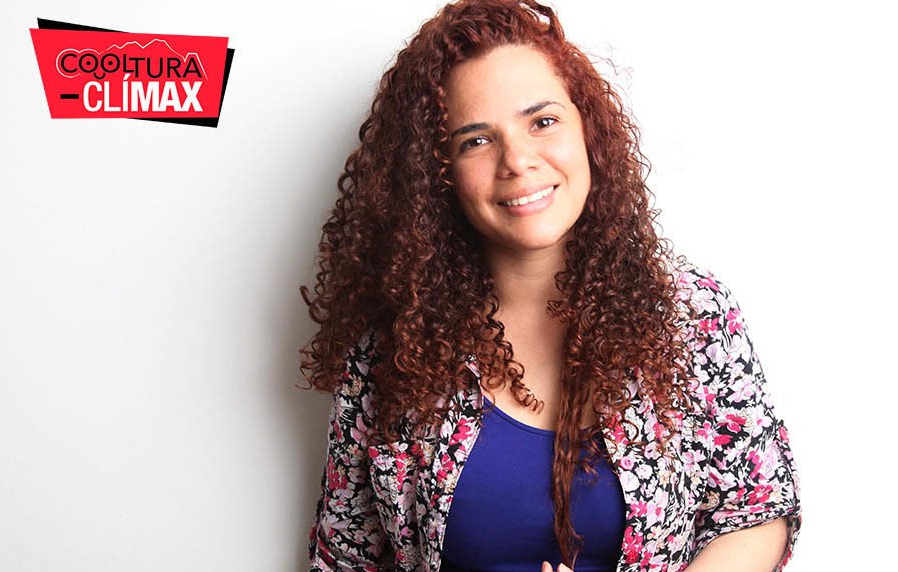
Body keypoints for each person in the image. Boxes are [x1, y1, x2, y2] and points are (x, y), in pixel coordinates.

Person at [298, 1, 801, 571]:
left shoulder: (691, 316)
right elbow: (345, 557)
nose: (517, 160)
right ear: (438, 176)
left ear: (587, 129)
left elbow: (756, 512)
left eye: (542, 122)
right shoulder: (392, 351)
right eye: (475, 141)